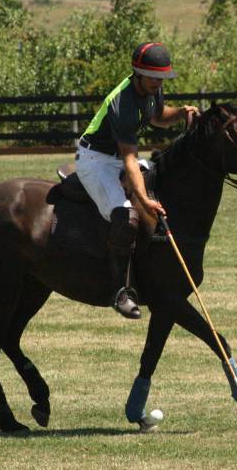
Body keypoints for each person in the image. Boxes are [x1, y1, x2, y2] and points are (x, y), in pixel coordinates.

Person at [75, 42, 201, 319]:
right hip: (96, 160)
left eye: (162, 78)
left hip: (119, 158)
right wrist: (143, 199)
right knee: (127, 215)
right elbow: (130, 159)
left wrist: (181, 112)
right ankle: (120, 290)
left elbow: (157, 117)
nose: (158, 82)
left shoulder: (151, 89)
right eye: (154, 77)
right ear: (138, 73)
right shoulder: (124, 103)